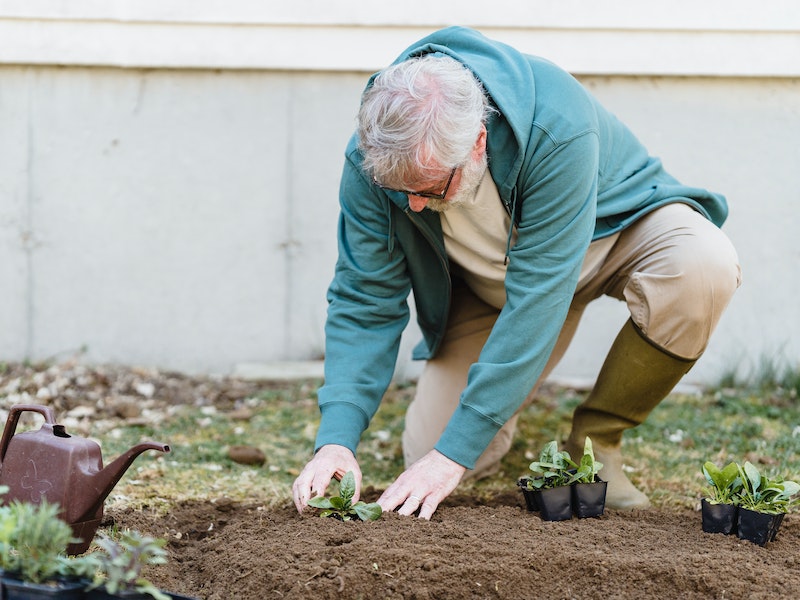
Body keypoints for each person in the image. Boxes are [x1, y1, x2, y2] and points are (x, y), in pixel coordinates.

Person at [292, 26, 741, 518]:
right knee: (427, 452)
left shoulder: (556, 124)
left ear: (478, 142)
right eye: (402, 193)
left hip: (610, 236)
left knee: (704, 265)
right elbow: (364, 297)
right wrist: (335, 440)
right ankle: (497, 406)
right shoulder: (374, 161)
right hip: (496, 288)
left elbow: (539, 296)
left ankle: (597, 438)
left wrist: (453, 455)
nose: (414, 206)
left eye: (429, 189)